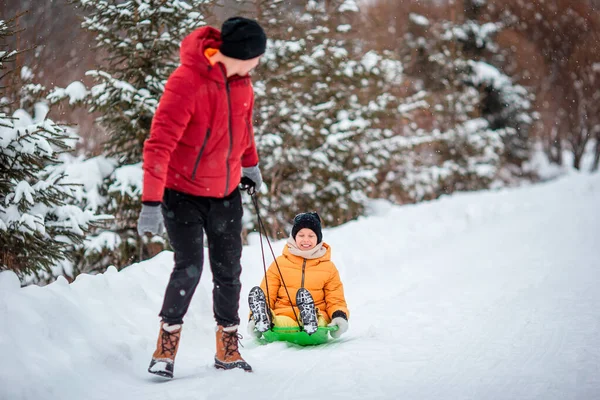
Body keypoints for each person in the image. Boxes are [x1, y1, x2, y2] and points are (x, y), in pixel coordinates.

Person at [137, 16, 267, 377]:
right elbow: (158, 145)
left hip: (226, 193)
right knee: (189, 268)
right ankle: (166, 344)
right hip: (182, 195)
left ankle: (227, 347)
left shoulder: (243, 84)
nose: (258, 62)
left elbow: (244, 128)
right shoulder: (187, 82)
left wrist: (250, 166)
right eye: (256, 56)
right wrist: (150, 202)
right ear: (241, 54)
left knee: (229, 271)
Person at [247, 212, 349, 340]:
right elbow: (267, 293)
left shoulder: (328, 268)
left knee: (320, 321)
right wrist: (252, 318)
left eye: (311, 235)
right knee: (278, 322)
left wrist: (339, 316)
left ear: (318, 238)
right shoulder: (280, 263)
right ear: (294, 237)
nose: (306, 240)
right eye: (301, 235)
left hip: (317, 315)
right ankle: (263, 318)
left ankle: (309, 318)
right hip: (285, 314)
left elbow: (335, 298)